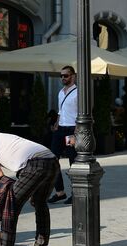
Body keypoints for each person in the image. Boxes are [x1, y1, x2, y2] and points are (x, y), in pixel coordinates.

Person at [48, 65, 78, 205]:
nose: (63, 78)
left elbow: (81, 115)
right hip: (60, 130)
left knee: (73, 162)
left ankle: (76, 193)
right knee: (52, 160)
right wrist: (56, 124)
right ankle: (60, 192)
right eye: (61, 76)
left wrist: (76, 133)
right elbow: (60, 111)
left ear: (73, 76)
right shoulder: (61, 92)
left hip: (72, 130)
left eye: (65, 75)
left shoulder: (78, 93)